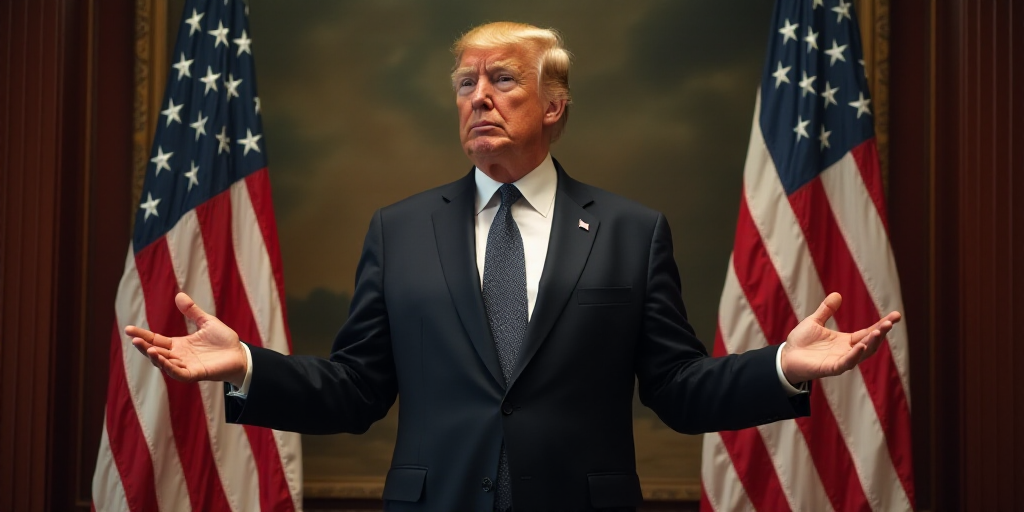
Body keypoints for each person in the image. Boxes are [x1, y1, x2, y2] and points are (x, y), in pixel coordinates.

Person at [128, 22, 901, 511]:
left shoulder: (633, 231)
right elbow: (356, 391)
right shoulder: (399, 230)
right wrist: (247, 368)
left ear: (554, 104)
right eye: (466, 84)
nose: (479, 98)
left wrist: (784, 368)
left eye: (502, 79)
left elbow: (678, 390)